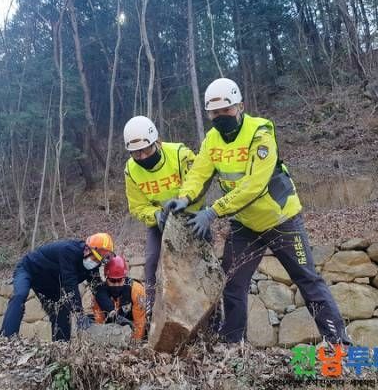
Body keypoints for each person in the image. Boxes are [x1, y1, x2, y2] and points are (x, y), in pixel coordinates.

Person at [164, 77, 350, 345]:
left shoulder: (260, 132)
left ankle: (337, 341)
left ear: (240, 106)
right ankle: (233, 344)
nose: (220, 116)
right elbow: (198, 173)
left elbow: (254, 184)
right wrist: (184, 198)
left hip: (281, 219)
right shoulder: (212, 140)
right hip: (245, 225)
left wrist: (213, 212)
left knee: (307, 279)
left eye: (226, 109)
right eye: (214, 112)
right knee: (231, 283)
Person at [123, 115, 200, 312]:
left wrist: (187, 205)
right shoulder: (131, 170)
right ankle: (151, 309)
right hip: (159, 220)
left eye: (145, 150)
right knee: (151, 262)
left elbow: (198, 183)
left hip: (190, 214)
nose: (142, 157)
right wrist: (156, 215)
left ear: (157, 141)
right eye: (135, 153)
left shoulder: (180, 154)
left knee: (195, 262)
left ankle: (209, 312)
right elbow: (137, 206)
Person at [0, 233, 114, 341]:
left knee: (62, 311)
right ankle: (6, 339)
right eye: (94, 258)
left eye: (98, 261)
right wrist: (79, 313)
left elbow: (98, 289)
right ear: (87, 249)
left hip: (49, 283)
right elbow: (70, 283)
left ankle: (61, 346)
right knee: (20, 295)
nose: (95, 263)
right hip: (29, 269)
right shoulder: (68, 251)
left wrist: (112, 311)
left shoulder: (92, 267)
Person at [92, 255, 147, 341]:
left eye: (120, 280)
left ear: (124, 278)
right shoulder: (99, 294)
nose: (116, 284)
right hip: (110, 331)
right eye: (112, 281)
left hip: (131, 328)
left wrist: (135, 343)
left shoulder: (137, 290)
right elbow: (99, 322)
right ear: (106, 277)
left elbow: (140, 322)